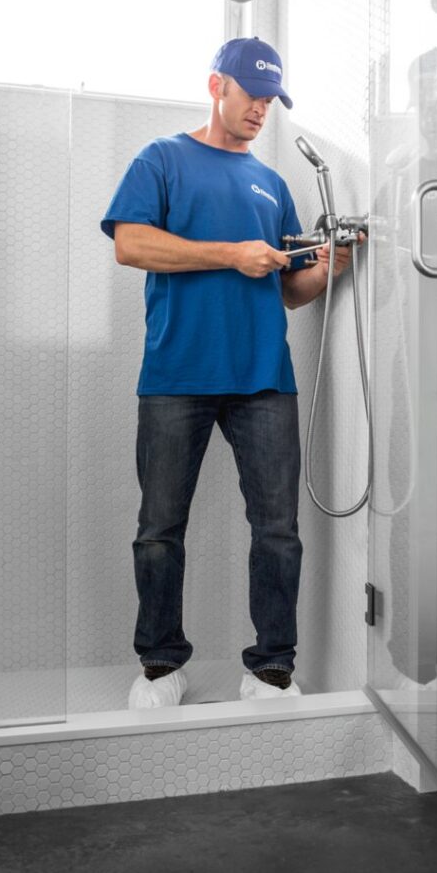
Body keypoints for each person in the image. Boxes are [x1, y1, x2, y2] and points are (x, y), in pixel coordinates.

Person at [101, 37, 354, 709]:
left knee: (278, 531)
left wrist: (331, 264)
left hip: (264, 379)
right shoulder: (161, 159)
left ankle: (271, 668)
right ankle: (161, 665)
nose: (261, 111)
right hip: (176, 375)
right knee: (159, 529)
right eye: (252, 96)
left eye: (271, 101)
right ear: (218, 87)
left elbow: (290, 290)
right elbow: (131, 244)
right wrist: (231, 253)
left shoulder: (270, 184)